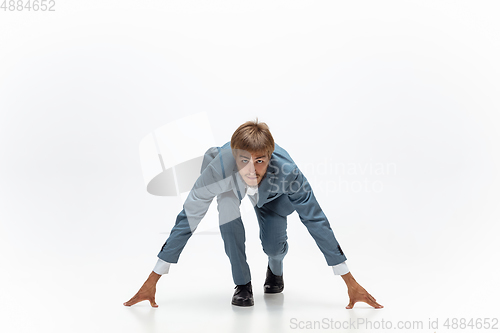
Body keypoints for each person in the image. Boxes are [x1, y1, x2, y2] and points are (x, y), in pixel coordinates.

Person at [124, 120, 383, 309]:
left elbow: (316, 220)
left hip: (274, 198)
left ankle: (276, 268)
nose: (251, 169)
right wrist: (154, 278)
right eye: (244, 160)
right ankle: (242, 284)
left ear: (270, 157)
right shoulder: (219, 168)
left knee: (273, 244)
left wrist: (349, 281)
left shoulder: (289, 174)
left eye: (259, 160)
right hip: (229, 186)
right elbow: (189, 217)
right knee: (226, 209)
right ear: (234, 157)